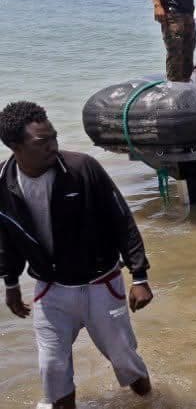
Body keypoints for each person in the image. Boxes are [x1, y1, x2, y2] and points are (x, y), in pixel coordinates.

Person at [0, 102, 153, 409]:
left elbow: (122, 220)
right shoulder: (3, 184)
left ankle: (153, 402)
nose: (53, 146)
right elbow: (7, 237)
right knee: (52, 370)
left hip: (101, 284)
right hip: (51, 289)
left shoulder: (83, 168)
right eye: (42, 143)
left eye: (54, 137)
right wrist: (11, 283)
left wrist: (139, 276)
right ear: (15, 146)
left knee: (126, 362)